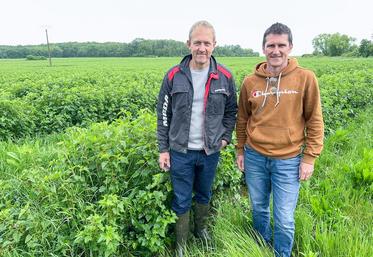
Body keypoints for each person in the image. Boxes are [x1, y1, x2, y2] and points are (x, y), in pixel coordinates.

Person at [235, 23, 324, 257]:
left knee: (284, 218)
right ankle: (260, 247)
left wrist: (309, 157)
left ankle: (281, 253)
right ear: (263, 48)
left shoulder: (305, 78)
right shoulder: (250, 82)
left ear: (290, 47)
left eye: (281, 45)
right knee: (259, 209)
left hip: (288, 159)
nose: (276, 50)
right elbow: (242, 119)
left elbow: (314, 120)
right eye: (271, 45)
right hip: (255, 156)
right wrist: (240, 150)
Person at [157, 20, 237, 256]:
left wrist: (225, 138)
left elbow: (232, 111)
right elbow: (163, 114)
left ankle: (200, 231)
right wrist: (163, 149)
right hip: (180, 151)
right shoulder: (174, 75)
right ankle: (181, 244)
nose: (202, 48)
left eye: (206, 43)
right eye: (197, 42)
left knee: (204, 193)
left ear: (214, 45)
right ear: (188, 44)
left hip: (209, 151)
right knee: (181, 198)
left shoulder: (225, 76)